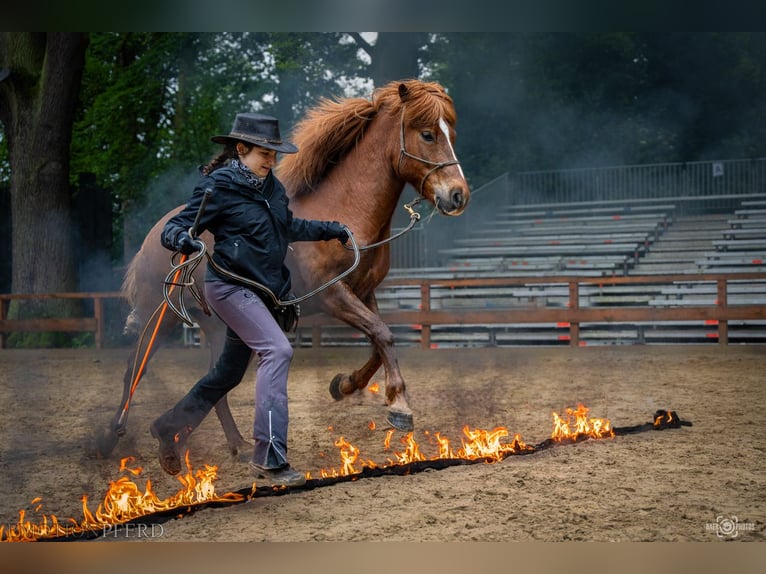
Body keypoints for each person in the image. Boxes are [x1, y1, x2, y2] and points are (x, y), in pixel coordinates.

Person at [150, 112, 349, 487]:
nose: (271, 160)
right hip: (229, 288)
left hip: (265, 293)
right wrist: (183, 240)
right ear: (241, 149)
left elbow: (288, 227)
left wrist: (331, 229)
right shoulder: (218, 186)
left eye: (275, 154)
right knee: (277, 351)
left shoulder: (273, 188)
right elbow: (176, 227)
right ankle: (270, 457)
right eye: (264, 153)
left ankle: (169, 425)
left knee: (228, 373)